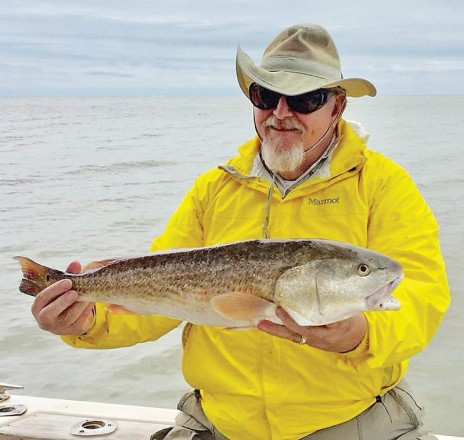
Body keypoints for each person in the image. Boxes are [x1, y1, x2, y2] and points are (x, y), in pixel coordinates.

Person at [31, 24, 450, 440]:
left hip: (349, 420)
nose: (281, 113)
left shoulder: (382, 185)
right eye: (266, 96)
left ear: (336, 106)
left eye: (305, 99)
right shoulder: (213, 190)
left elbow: (421, 296)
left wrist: (359, 335)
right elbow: (156, 298)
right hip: (218, 422)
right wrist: (85, 321)